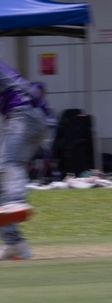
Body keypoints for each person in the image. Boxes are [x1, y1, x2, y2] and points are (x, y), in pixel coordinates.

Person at [0, 60, 54, 260]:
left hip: (25, 113)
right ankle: (15, 245)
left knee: (8, 164)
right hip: (34, 118)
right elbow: (37, 87)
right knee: (2, 179)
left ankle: (15, 201)